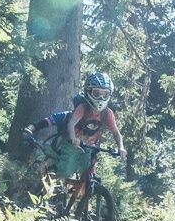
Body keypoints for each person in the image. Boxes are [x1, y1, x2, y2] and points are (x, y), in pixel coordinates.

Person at [29, 71, 125, 201]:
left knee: (87, 177)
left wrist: (121, 147)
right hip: (73, 145)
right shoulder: (82, 108)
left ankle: (81, 206)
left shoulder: (107, 113)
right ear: (89, 92)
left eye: (105, 94)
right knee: (66, 171)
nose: (101, 98)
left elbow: (116, 132)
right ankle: (52, 189)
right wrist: (73, 138)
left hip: (89, 148)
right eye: (97, 93)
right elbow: (71, 123)